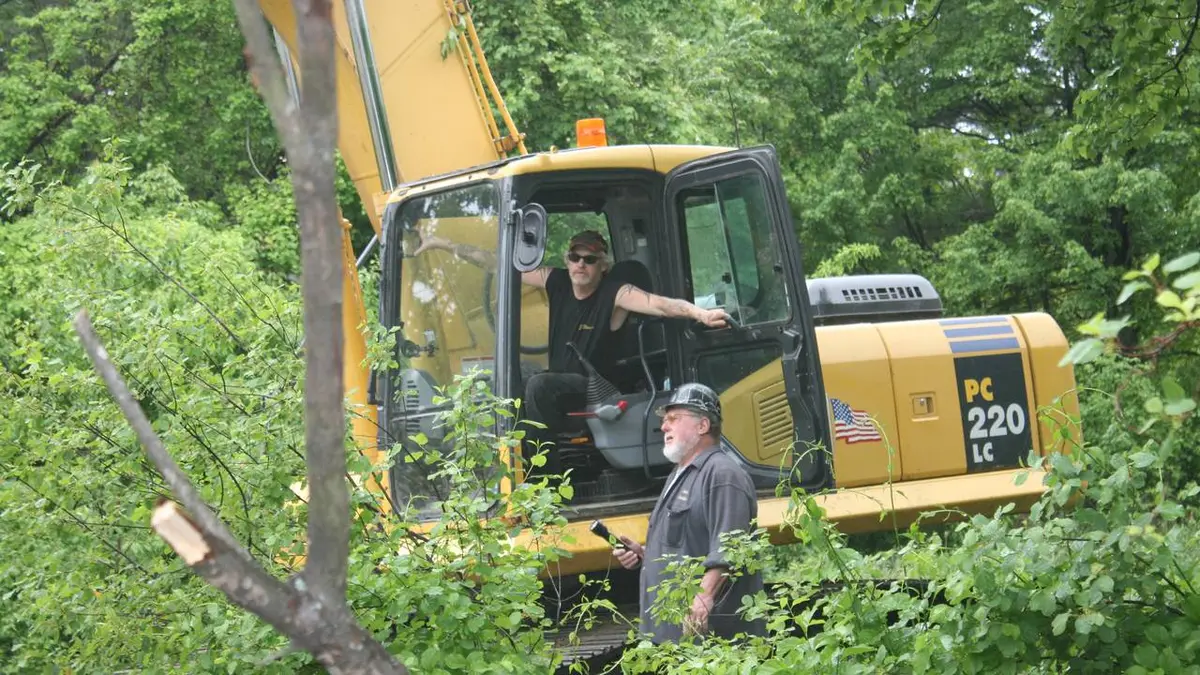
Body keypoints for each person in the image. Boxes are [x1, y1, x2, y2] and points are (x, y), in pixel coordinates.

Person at [412, 229, 728, 478]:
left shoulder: (616, 292)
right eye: (575, 257)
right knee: (508, 376)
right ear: (567, 260)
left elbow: (660, 304)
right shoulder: (557, 281)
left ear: (603, 266)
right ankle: (499, 469)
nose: (580, 265)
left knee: (539, 385)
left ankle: (546, 478)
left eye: (589, 259)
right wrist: (442, 243)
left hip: (597, 387)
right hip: (561, 382)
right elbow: (498, 264)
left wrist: (700, 314)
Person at [613, 383, 766, 643]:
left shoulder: (722, 475)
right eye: (664, 420)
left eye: (674, 419)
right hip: (672, 639)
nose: (664, 427)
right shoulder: (681, 474)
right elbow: (687, 542)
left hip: (709, 643)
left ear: (702, 426)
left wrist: (704, 596)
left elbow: (730, 548)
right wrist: (644, 554)